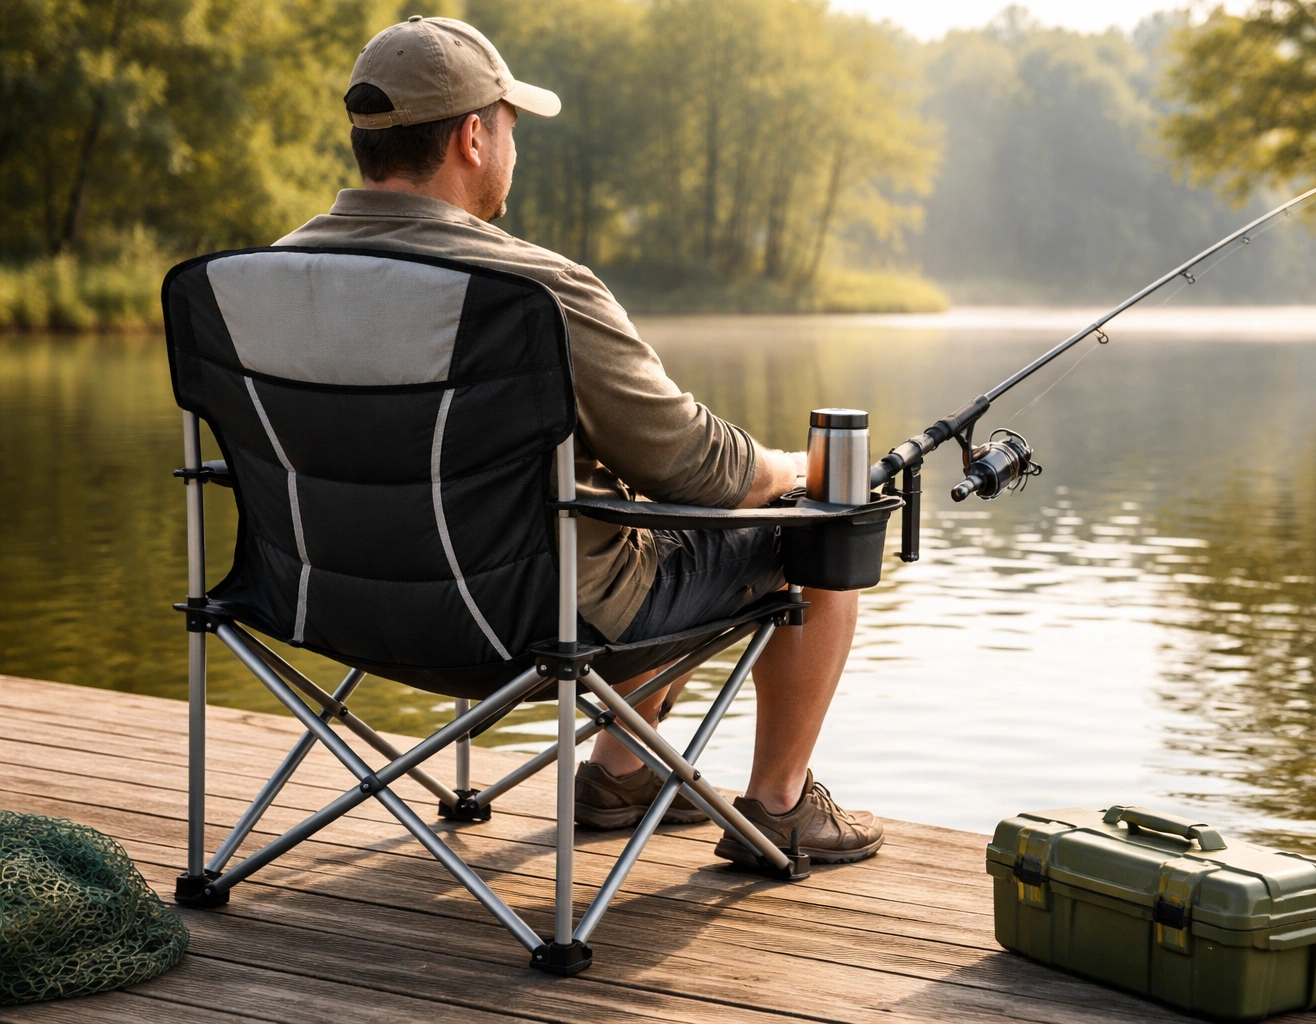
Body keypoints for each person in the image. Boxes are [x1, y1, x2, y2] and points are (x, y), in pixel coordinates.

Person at [277, 16, 882, 865]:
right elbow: (696, 468)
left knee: (623, 522)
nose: (514, 149)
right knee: (824, 516)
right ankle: (779, 807)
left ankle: (621, 775)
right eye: (510, 128)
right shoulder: (535, 290)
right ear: (473, 137)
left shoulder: (270, 278)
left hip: (319, 605)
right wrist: (795, 469)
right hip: (522, 621)